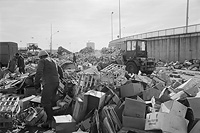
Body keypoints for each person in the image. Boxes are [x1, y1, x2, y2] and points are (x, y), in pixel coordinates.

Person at [34, 50, 63, 129]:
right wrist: (61, 79)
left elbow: (39, 72)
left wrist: (36, 83)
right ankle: (53, 120)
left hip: (48, 83)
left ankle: (49, 121)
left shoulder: (42, 61)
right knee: (52, 101)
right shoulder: (54, 61)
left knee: (45, 101)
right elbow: (60, 70)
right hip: (56, 83)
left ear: (41, 57)